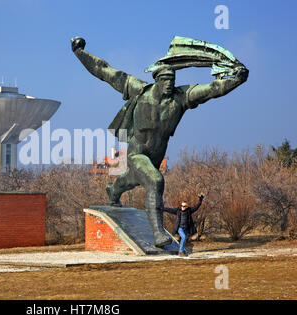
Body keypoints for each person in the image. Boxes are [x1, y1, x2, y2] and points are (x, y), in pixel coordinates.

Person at [71, 37, 248, 247]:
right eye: (166, 81)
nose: (170, 85)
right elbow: (105, 71)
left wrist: (237, 79)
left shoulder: (180, 97)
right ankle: (158, 234)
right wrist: (80, 53)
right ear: (157, 80)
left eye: (172, 82)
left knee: (133, 179)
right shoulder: (139, 90)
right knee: (155, 181)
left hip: (154, 158)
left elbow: (212, 89)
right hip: (137, 154)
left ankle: (114, 190)